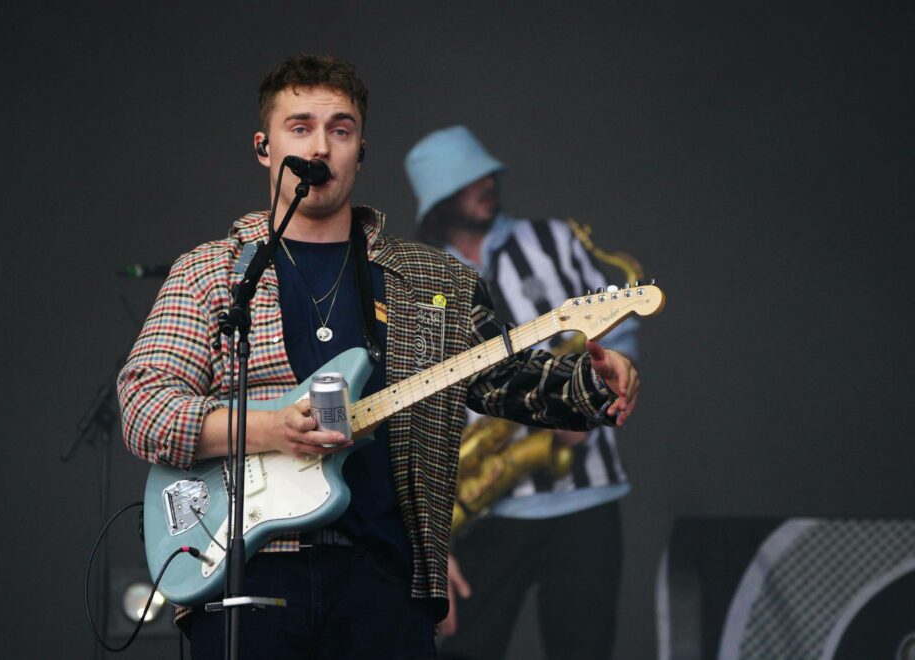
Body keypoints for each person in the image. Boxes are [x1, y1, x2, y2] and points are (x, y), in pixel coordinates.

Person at [117, 56, 640, 660]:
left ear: (360, 150)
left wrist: (594, 385)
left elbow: (502, 379)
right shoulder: (211, 271)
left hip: (385, 580)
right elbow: (144, 406)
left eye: (340, 130)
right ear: (264, 147)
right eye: (301, 127)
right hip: (247, 576)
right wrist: (269, 429)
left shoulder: (429, 278)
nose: (320, 146)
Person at [405, 126, 641, 660]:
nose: (487, 183)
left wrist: (596, 398)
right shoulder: (425, 280)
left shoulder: (554, 240)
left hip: (588, 501)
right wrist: (432, 540)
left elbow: (619, 325)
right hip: (484, 513)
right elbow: (421, 406)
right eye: (469, 179)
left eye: (488, 173)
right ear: (439, 197)